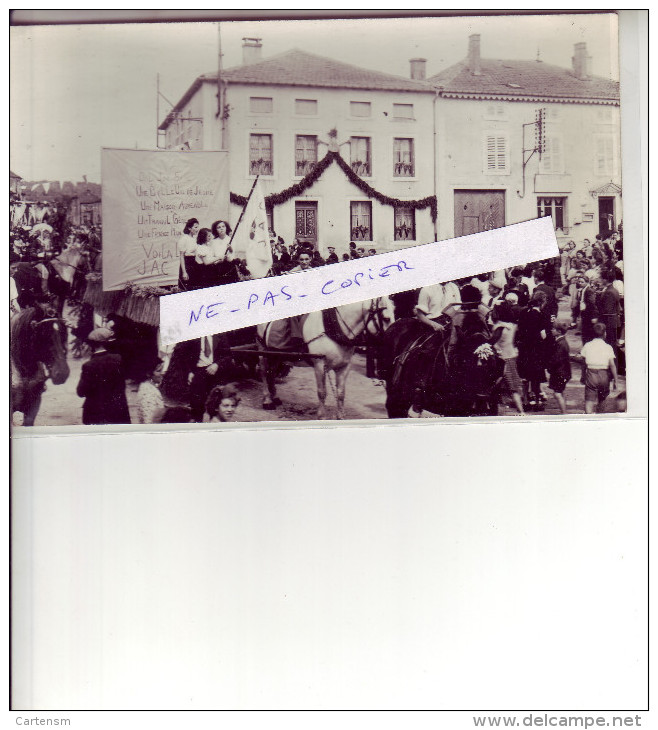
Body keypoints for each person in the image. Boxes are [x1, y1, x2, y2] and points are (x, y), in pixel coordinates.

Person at [76, 327, 131, 425]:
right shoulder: (118, 359)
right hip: (118, 411)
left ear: (92, 345)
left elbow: (81, 392)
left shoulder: (88, 365)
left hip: (96, 414)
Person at [517, 290, 550, 409]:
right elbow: (543, 335)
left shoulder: (524, 312)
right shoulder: (540, 315)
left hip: (524, 349)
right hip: (536, 350)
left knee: (525, 376)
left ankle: (525, 400)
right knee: (536, 377)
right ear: (542, 302)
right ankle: (537, 401)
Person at [490, 301, 524, 414]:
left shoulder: (499, 327)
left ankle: (520, 411)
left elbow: (492, 342)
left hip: (501, 359)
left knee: (507, 386)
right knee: (513, 386)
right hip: (511, 357)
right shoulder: (513, 326)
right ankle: (520, 410)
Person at [578, 322, 618, 414]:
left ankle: (588, 417)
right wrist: (616, 380)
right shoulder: (608, 347)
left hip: (591, 373)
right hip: (604, 374)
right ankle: (600, 416)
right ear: (604, 334)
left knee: (589, 400)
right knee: (602, 398)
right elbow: (612, 365)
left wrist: (583, 376)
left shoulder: (587, 345)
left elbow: (583, 363)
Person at [546, 320, 572, 414]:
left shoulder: (560, 344)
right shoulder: (561, 341)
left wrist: (549, 366)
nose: (552, 330)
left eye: (553, 329)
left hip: (560, 372)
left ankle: (564, 413)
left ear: (559, 331)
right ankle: (563, 411)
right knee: (560, 392)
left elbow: (556, 359)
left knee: (557, 393)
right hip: (562, 372)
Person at [136, 358, 166, 424]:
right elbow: (149, 420)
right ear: (148, 374)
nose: (162, 373)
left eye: (162, 370)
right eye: (159, 371)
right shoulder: (148, 393)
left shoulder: (148, 386)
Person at [177, 217, 199, 290]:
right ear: (189, 228)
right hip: (187, 264)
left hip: (194, 264)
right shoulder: (184, 239)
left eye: (197, 227)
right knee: (186, 288)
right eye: (195, 227)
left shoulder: (195, 239)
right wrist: (184, 272)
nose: (197, 229)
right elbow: (182, 256)